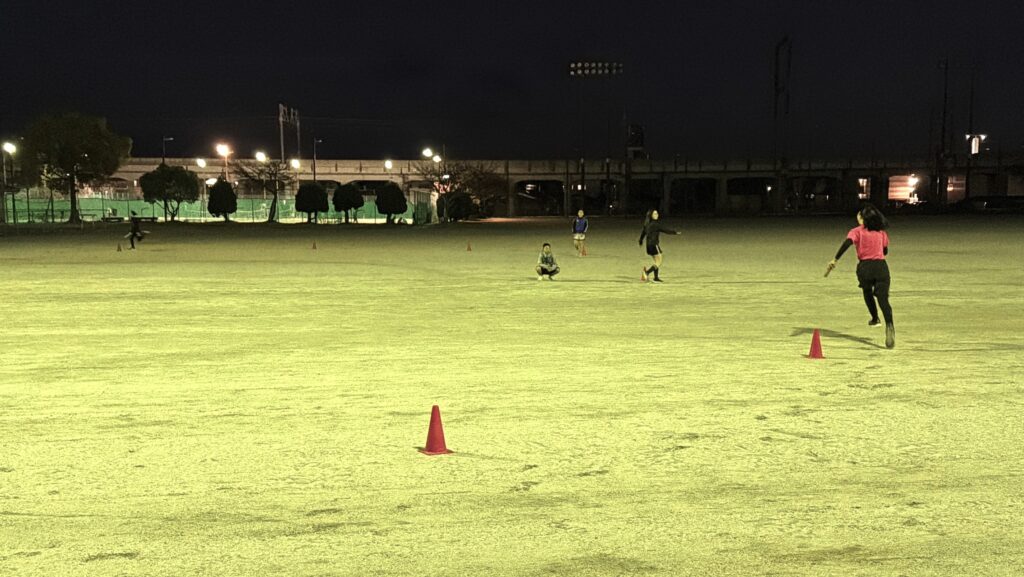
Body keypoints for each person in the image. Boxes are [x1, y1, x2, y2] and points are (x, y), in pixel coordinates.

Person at [826, 203, 895, 348]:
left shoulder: (856, 231)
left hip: (865, 267)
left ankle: (875, 318)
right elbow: (885, 251)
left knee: (867, 290)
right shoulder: (881, 233)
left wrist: (835, 259)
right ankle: (889, 324)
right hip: (881, 267)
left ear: (863, 218)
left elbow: (847, 244)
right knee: (883, 299)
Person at [638, 209, 681, 282]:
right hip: (654, 244)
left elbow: (643, 233)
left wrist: (640, 240)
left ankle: (656, 277)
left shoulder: (647, 224)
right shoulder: (655, 224)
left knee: (656, 261)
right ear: (651, 216)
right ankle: (647, 272)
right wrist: (675, 232)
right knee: (659, 261)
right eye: (655, 214)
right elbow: (665, 230)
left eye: (657, 213)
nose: (657, 215)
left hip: (648, 246)